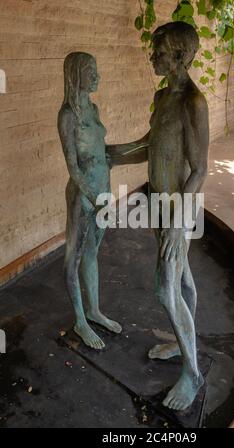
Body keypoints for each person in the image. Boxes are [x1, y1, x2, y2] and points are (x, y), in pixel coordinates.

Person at [107, 22, 209, 411]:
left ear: (181, 56)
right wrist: (112, 153)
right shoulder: (162, 96)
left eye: (160, 51)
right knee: (182, 279)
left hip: (178, 210)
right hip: (160, 204)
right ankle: (181, 341)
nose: (153, 57)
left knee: (165, 289)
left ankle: (193, 374)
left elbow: (200, 169)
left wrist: (178, 223)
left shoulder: (193, 103)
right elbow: (151, 145)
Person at [58, 52, 128, 349]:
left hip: (103, 191)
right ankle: (80, 320)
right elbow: (73, 167)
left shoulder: (94, 109)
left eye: (97, 70)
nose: (97, 76)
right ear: (76, 75)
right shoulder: (68, 116)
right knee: (73, 258)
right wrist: (94, 199)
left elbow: (102, 152)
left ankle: (94, 311)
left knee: (92, 252)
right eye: (91, 71)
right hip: (83, 196)